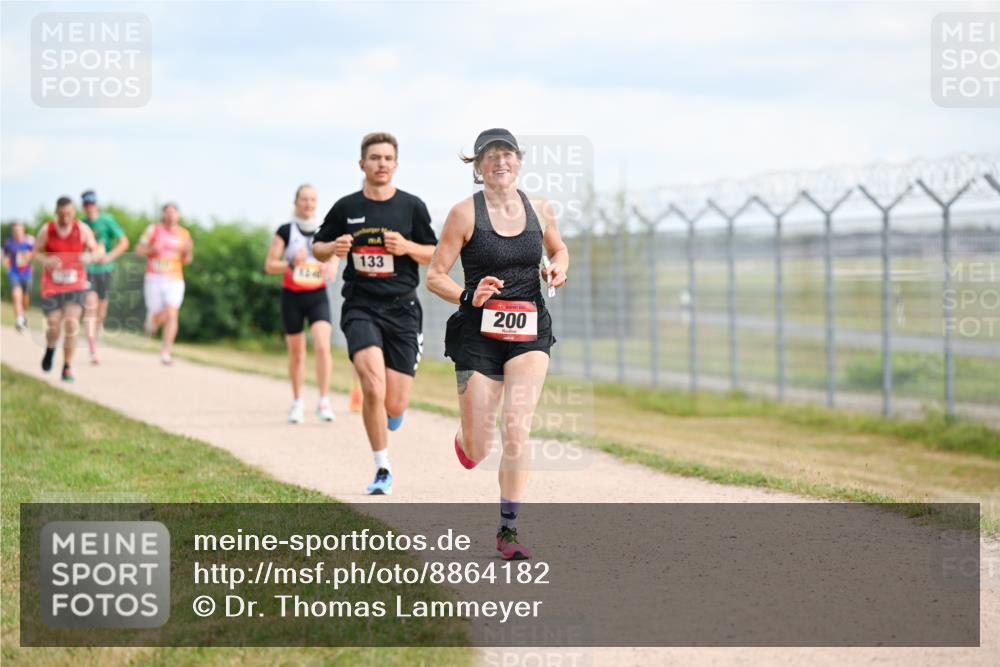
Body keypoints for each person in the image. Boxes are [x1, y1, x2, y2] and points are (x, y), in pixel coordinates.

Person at [426, 129, 568, 560]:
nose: (499, 162)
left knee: (517, 427)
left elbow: (559, 250)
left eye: (506, 154)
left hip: (529, 332)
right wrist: (469, 295)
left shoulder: (541, 209)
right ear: (478, 167)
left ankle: (508, 529)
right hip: (478, 334)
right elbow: (435, 276)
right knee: (479, 445)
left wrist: (557, 269)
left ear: (519, 161)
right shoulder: (463, 215)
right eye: (490, 156)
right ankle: (467, 438)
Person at [313, 132, 438, 495]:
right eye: (374, 158)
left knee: (394, 403)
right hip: (361, 305)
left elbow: (434, 253)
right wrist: (331, 247)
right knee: (372, 386)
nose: (381, 163)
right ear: (362, 164)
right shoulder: (345, 207)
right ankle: (382, 467)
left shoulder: (412, 207)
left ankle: (392, 416)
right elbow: (318, 247)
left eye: (387, 158)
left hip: (402, 309)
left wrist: (407, 246)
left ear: (395, 165)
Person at [264, 184, 339, 423]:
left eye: (312, 200)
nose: (308, 204)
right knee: (297, 354)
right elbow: (269, 265)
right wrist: (290, 264)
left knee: (322, 346)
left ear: (316, 204)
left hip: (317, 295)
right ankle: (297, 402)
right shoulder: (286, 231)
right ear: (296, 202)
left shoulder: (324, 230)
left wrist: (332, 265)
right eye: (304, 199)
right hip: (292, 296)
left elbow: (336, 254)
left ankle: (324, 401)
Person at [35, 196, 103, 382]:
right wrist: (46, 260)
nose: (66, 218)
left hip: (76, 284)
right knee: (54, 326)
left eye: (69, 214)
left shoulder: (82, 229)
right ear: (56, 212)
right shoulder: (46, 230)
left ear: (74, 213)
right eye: (62, 214)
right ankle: (50, 349)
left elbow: (97, 251)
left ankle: (67, 367)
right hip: (52, 285)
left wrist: (90, 257)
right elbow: (36, 252)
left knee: (72, 323)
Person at [135, 202, 193, 365]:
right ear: (163, 215)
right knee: (158, 314)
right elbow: (139, 250)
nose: (170, 215)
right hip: (154, 277)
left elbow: (187, 260)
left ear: (178, 215)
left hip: (174, 278)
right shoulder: (153, 230)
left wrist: (187, 251)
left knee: (172, 313)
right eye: (167, 212)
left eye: (173, 212)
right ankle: (152, 321)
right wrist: (152, 249)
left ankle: (166, 352)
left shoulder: (184, 234)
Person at [79, 190, 130, 364]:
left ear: (97, 204)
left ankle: (96, 330)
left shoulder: (107, 220)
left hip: (105, 269)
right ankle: (92, 348)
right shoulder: (81, 224)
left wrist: (109, 257)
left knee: (102, 310)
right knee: (90, 306)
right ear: (83, 206)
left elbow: (124, 242)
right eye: (86, 204)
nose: (89, 207)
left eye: (92, 203)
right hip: (87, 270)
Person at [3, 221, 35, 332]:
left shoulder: (30, 241)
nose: (17, 232)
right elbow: (6, 256)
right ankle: (19, 319)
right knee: (16, 296)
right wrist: (7, 266)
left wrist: (29, 256)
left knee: (25, 299)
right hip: (14, 273)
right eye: (15, 231)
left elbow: (36, 254)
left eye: (19, 230)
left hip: (27, 274)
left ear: (23, 230)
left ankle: (23, 314)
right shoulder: (9, 243)